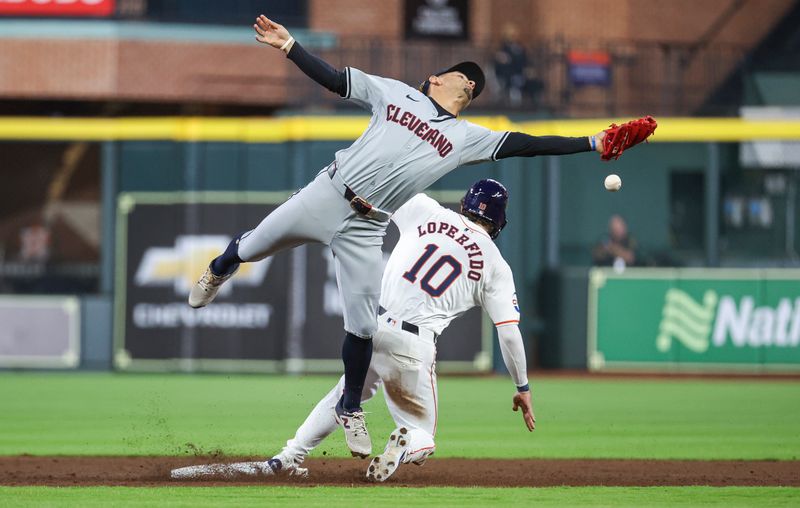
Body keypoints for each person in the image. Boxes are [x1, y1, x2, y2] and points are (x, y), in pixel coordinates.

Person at [188, 12, 614, 458]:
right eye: (448, 74)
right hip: (330, 192)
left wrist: (590, 142)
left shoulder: (469, 138)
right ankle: (217, 271)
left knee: (363, 325)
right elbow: (334, 80)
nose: (448, 79)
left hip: (369, 226)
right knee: (253, 246)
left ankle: (351, 407)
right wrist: (291, 45)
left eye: (457, 78)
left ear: (465, 90)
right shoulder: (396, 92)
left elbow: (530, 144)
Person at [173, 180, 535, 482]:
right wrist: (522, 387)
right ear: (500, 222)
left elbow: (379, 184)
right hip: (416, 345)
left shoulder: (426, 210)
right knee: (424, 437)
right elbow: (508, 334)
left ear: (464, 204)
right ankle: (406, 440)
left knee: (347, 396)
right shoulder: (496, 266)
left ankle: (286, 458)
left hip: (374, 327)